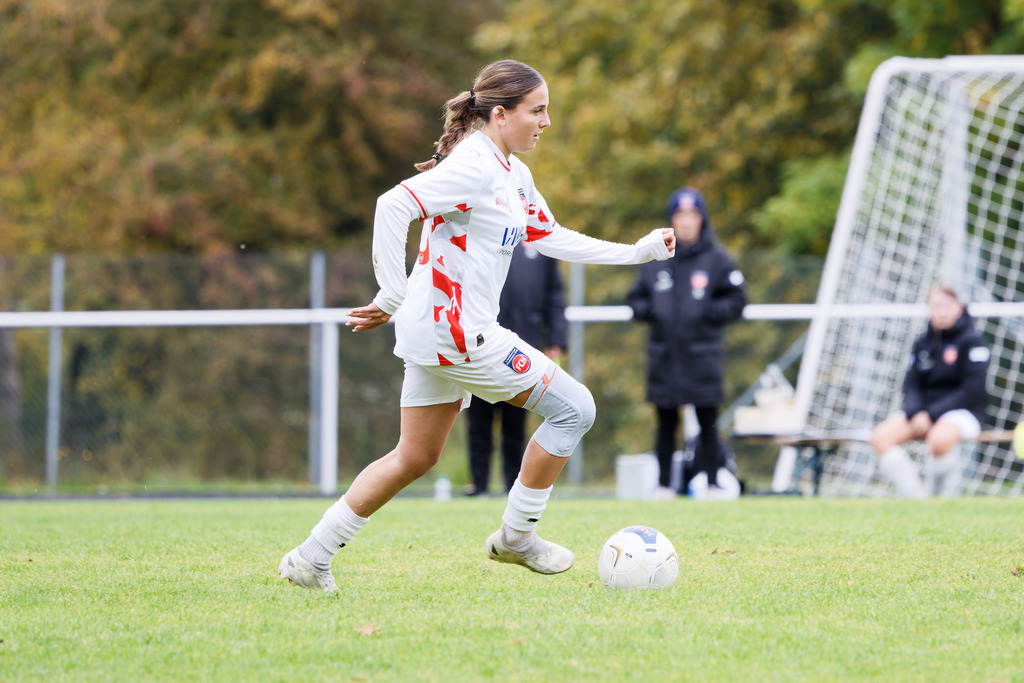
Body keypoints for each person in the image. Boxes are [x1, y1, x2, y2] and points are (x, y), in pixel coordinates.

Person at [279, 59, 676, 592]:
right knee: (575, 408)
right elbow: (392, 205)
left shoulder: (512, 171)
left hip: (436, 331)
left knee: (414, 456)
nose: (546, 122)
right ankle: (516, 536)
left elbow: (550, 236)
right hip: (457, 332)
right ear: (500, 113)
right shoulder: (476, 166)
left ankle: (310, 557)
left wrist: (636, 253)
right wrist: (391, 293)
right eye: (538, 111)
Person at [627, 187, 746, 501]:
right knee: (666, 422)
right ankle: (664, 485)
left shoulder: (718, 259)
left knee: (708, 421)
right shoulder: (657, 258)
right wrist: (655, 312)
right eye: (680, 215)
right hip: (664, 355)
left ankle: (712, 484)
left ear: (702, 219)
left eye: (693, 215)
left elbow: (737, 300)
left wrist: (707, 312)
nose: (687, 221)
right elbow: (635, 298)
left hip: (702, 355)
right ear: (672, 220)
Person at [465, 241, 567, 496]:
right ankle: (479, 485)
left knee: (516, 423)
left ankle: (514, 484)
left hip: (524, 350)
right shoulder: (481, 237)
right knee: (478, 420)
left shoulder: (541, 247)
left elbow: (555, 296)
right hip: (479, 348)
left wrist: (555, 339)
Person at [869, 285, 990, 498]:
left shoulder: (973, 342)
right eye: (936, 306)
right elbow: (911, 384)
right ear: (928, 309)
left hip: (964, 412)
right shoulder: (921, 344)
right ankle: (917, 497)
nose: (941, 312)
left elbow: (972, 390)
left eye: (947, 306)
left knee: (939, 440)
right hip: (924, 413)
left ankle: (936, 499)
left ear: (959, 308)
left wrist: (931, 414)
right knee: (880, 438)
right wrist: (916, 412)